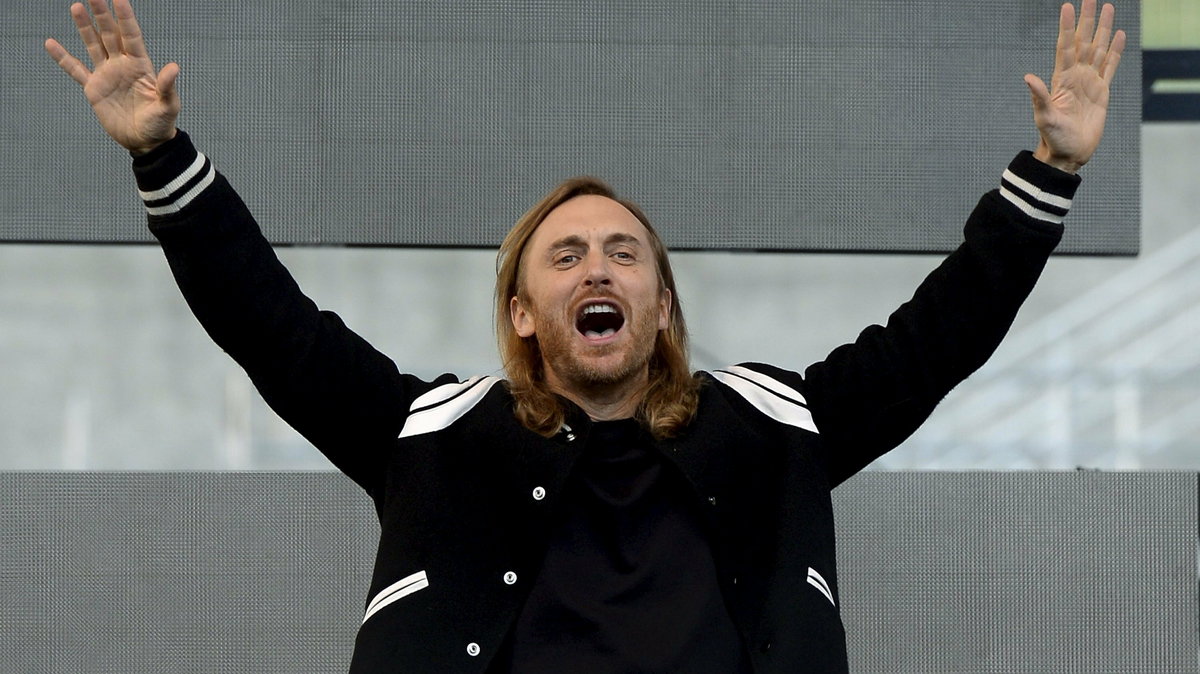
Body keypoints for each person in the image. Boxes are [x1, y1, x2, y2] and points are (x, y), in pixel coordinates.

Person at [46, 0, 1125, 671]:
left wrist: (1055, 168)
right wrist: (161, 154)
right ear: (522, 310)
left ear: (659, 305)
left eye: (623, 253)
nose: (597, 267)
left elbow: (940, 334)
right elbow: (268, 324)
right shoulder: (428, 431)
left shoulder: (775, 422)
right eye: (564, 257)